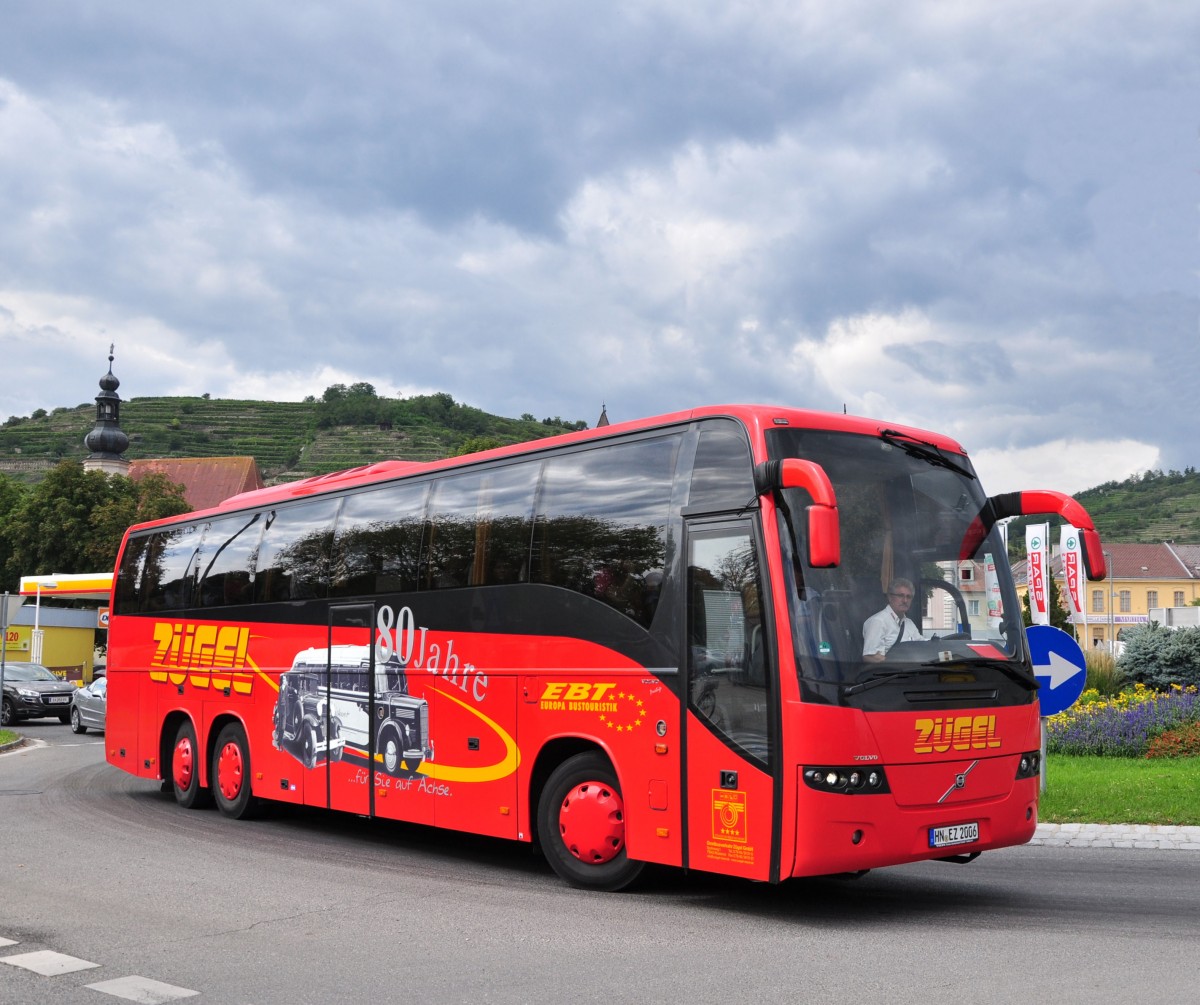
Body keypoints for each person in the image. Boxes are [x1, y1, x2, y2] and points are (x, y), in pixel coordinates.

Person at [862, 578, 925, 662]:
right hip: (889, 673)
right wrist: (899, 663)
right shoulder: (878, 621)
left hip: (911, 672)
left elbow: (921, 645)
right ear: (890, 597)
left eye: (908, 597)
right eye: (900, 596)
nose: (905, 600)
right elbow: (870, 656)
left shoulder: (909, 623)